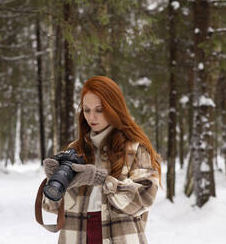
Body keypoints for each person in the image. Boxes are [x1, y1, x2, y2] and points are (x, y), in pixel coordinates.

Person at [42, 76, 161, 244]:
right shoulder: (75, 151)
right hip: (76, 236)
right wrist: (53, 179)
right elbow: (53, 207)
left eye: (99, 109)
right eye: (87, 109)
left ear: (114, 108)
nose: (92, 117)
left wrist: (102, 180)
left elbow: (145, 197)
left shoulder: (135, 149)